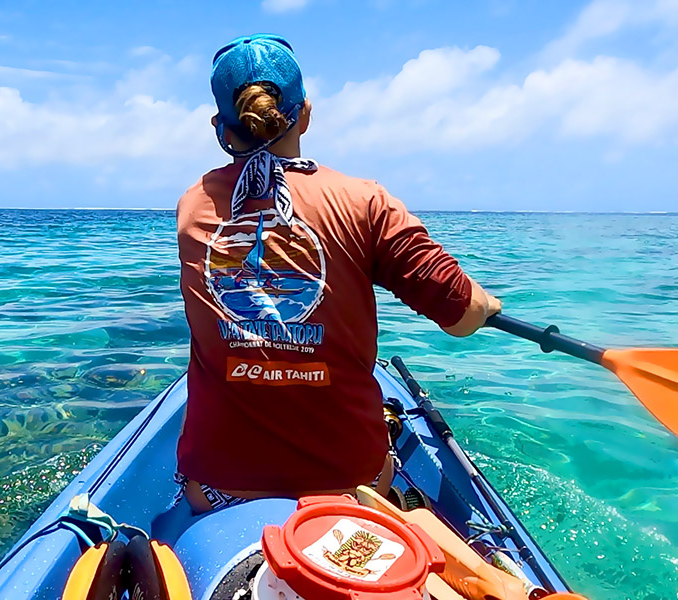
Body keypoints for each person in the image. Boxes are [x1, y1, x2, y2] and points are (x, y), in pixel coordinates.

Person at [175, 34, 501, 513]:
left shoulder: (193, 206)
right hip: (350, 488)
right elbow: (462, 316)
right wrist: (488, 305)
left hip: (219, 491)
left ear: (220, 127)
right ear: (304, 113)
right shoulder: (363, 202)